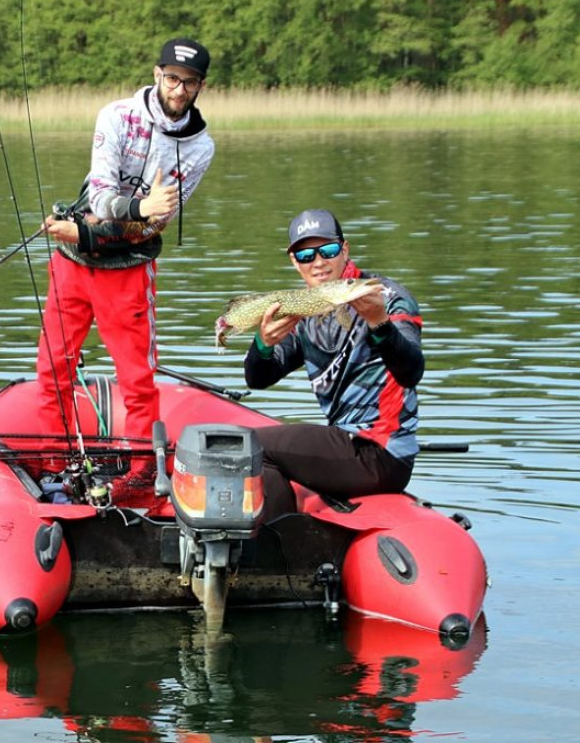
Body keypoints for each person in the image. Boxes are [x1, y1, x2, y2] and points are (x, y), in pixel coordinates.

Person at [36, 37, 215, 496]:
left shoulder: (200, 149)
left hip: (129, 271)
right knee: (54, 367)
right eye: (172, 78)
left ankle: (139, 474)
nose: (179, 89)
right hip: (74, 262)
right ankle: (55, 463)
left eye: (189, 83)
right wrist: (133, 211)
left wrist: (110, 225)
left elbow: (151, 228)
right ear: (157, 74)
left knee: (136, 379)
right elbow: (98, 195)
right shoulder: (116, 116)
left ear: (200, 87)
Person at [243, 209, 424, 519]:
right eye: (305, 254)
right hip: (346, 443)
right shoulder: (304, 311)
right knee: (249, 446)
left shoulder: (386, 297)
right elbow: (257, 379)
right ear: (294, 262)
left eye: (327, 250)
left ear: (345, 250)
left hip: (380, 453)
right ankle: (286, 532)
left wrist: (379, 324)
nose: (318, 262)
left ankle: (277, 547)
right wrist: (263, 344)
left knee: (250, 444)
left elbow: (411, 372)